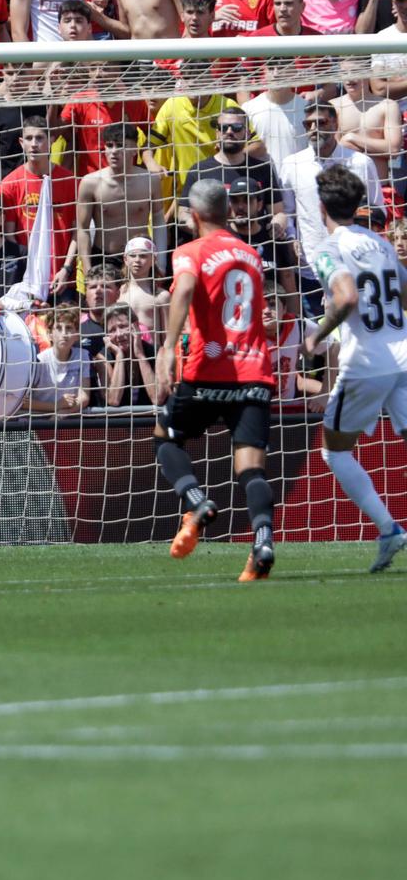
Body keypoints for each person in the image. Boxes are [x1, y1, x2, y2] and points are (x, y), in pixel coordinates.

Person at [153, 179, 277, 582]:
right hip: (254, 371)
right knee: (251, 469)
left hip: (209, 370)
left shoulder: (190, 251)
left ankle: (196, 501)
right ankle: (262, 543)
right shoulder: (251, 254)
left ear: (195, 215)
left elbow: (186, 287)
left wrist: (169, 346)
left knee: (165, 436)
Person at [301, 164, 407, 573]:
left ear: (321, 205)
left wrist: (318, 334)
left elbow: (345, 298)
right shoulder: (379, 242)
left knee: (334, 450)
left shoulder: (330, 247)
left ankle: (388, 529)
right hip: (402, 352)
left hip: (366, 362)